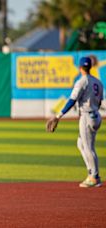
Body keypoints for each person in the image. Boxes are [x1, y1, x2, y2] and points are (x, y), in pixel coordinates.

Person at [47, 56, 103, 188]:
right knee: (81, 144)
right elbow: (100, 101)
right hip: (96, 116)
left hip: (86, 117)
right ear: (90, 67)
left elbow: (72, 100)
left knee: (89, 148)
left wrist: (58, 116)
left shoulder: (81, 82)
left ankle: (94, 177)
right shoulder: (98, 82)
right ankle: (92, 173)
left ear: (79, 68)